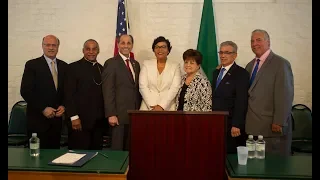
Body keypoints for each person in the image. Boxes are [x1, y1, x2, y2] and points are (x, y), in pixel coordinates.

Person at [245, 29, 294, 156]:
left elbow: (285, 95)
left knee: (273, 168)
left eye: (258, 40)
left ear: (268, 42)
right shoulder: (250, 66)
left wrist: (279, 121)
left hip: (271, 127)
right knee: (255, 168)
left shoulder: (280, 64)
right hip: (252, 127)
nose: (254, 43)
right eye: (252, 41)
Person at [20, 35, 68, 149]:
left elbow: (66, 91)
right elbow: (26, 91)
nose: (51, 48)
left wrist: (64, 105)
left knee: (54, 157)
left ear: (58, 47)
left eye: (54, 45)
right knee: (36, 159)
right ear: (42, 46)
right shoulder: (32, 65)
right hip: (38, 121)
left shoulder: (64, 66)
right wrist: (43, 108)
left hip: (56, 121)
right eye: (47, 45)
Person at [64, 39, 106, 150]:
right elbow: (68, 94)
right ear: (83, 51)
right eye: (88, 49)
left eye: (94, 49)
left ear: (98, 51)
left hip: (98, 123)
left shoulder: (102, 69)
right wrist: (74, 117)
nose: (91, 52)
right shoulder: (73, 68)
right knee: (78, 156)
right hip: (79, 122)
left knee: (96, 157)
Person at [101, 34, 141, 151]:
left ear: (132, 45)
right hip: (118, 115)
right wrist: (111, 114)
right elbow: (108, 90)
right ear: (118, 45)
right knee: (117, 150)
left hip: (133, 114)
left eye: (128, 43)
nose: (126, 46)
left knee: (130, 149)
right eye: (123, 43)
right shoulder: (111, 63)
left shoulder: (135, 64)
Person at [212, 41, 250, 154]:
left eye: (227, 53)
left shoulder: (241, 73)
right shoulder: (216, 72)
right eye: (221, 52)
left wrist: (236, 124)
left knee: (230, 157)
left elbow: (241, 100)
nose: (223, 55)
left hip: (231, 125)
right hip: (217, 122)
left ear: (235, 55)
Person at [139, 36, 181, 111]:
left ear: (168, 50)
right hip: (148, 107)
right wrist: (153, 106)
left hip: (168, 108)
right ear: (154, 50)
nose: (160, 49)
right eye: (157, 47)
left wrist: (161, 106)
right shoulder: (146, 64)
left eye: (163, 47)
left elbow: (174, 88)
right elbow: (143, 87)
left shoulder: (175, 66)